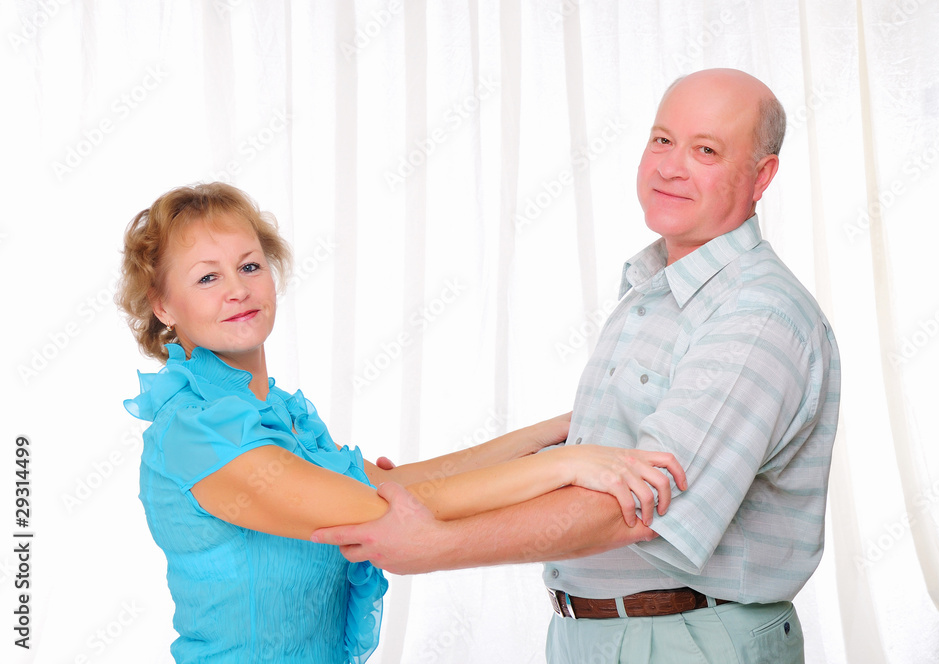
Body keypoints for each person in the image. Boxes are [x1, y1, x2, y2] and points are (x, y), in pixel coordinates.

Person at [312, 68, 841, 664]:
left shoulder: (756, 315)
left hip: (686, 641)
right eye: (662, 140)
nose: (669, 166)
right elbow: (583, 461)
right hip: (601, 635)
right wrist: (414, 491)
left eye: (706, 150)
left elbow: (636, 510)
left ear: (762, 176)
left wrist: (435, 544)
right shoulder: (655, 292)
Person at [116, 182, 686, 664]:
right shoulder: (195, 430)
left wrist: (556, 431)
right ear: (162, 306)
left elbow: (399, 482)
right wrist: (565, 465)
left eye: (248, 266)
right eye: (207, 278)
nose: (238, 288)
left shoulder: (279, 415)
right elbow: (386, 513)